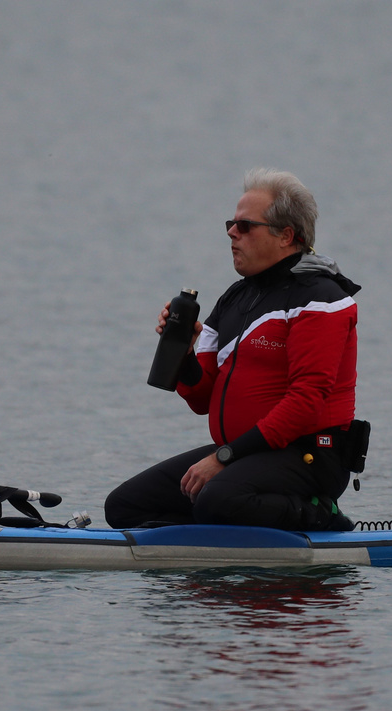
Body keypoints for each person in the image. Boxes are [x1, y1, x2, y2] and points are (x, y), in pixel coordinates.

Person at [104, 168, 360, 532]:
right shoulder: (236, 299)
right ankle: (217, 527)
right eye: (231, 223)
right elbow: (202, 398)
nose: (231, 232)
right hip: (245, 456)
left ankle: (320, 514)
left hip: (310, 456)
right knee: (124, 507)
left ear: (286, 235)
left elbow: (306, 402)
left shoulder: (321, 299)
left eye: (244, 226)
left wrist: (224, 457)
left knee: (218, 499)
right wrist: (185, 354)